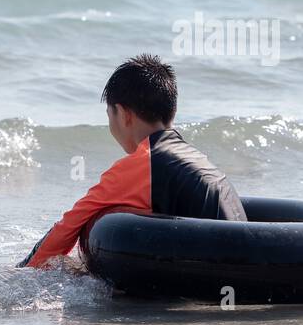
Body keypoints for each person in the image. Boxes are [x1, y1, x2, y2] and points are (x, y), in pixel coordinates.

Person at [19, 54, 245, 268]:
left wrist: (24, 272)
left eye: (110, 115)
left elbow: (70, 224)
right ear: (172, 111)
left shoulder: (143, 163)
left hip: (218, 267)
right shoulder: (189, 154)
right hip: (244, 258)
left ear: (124, 114)